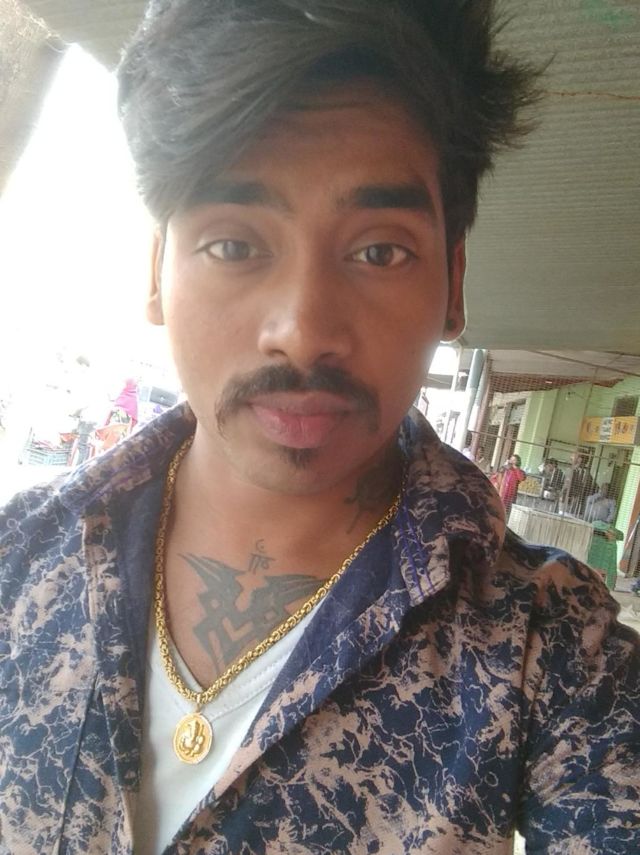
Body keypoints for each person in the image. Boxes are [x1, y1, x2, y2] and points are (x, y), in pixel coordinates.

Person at [1, 2, 639, 853]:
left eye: (379, 251)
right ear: (156, 270)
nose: (302, 331)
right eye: (234, 245)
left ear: (453, 285)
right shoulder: (16, 559)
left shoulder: (550, 651)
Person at [492, 453, 526, 520]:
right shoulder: (504, 468)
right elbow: (496, 476)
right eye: (511, 459)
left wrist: (515, 468)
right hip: (502, 493)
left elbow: (521, 478)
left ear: (517, 462)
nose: (512, 461)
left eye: (514, 460)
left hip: (510, 495)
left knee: (507, 511)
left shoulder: (519, 471)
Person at [561, 451, 596, 518]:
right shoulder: (569, 470)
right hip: (565, 502)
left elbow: (586, 491)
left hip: (576, 507)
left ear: (580, 459)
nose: (571, 458)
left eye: (573, 457)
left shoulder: (586, 475)